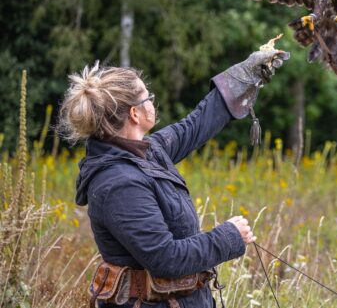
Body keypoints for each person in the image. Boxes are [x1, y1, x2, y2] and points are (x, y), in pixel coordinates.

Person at [58, 49, 288, 308]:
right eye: (149, 97)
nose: (152, 103)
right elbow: (166, 258)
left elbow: (195, 125)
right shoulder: (118, 183)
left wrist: (245, 75)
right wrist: (228, 236)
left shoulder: (148, 151)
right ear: (135, 113)